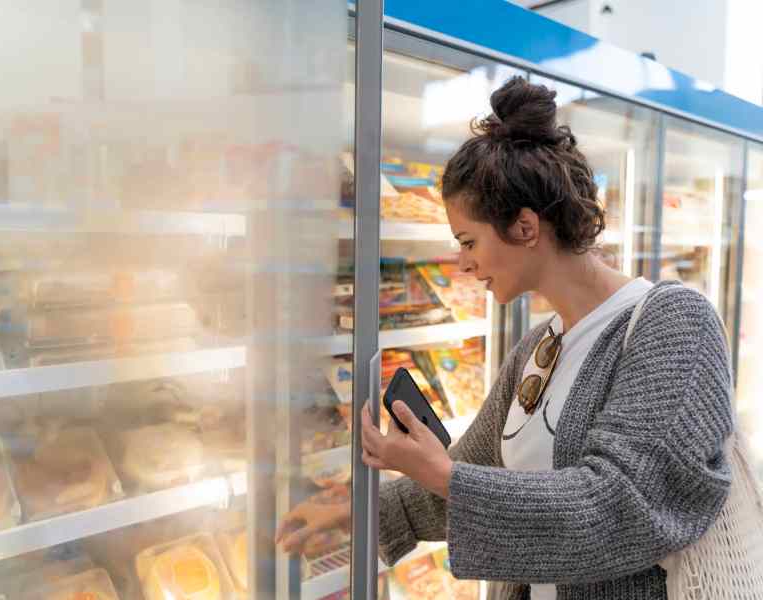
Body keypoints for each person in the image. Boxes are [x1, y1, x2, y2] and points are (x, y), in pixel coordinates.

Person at [276, 77, 733, 600]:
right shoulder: (538, 348)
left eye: (469, 242)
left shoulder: (673, 323)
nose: (463, 264)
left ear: (525, 227)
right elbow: (473, 472)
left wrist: (446, 477)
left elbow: (624, 506)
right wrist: (354, 510)